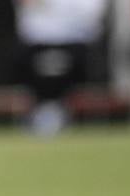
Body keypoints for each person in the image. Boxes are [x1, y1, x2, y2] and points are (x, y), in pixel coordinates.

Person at [13, 0, 109, 136]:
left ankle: (61, 110)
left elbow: (91, 14)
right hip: (38, 45)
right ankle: (45, 110)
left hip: (77, 44)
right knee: (33, 65)